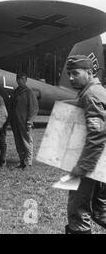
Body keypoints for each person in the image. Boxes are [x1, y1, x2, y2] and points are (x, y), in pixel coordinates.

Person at [64, 55, 106, 234]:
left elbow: (97, 134)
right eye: (68, 74)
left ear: (89, 72)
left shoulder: (91, 95)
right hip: (101, 162)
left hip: (91, 165)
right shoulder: (99, 90)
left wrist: (83, 166)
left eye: (75, 73)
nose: (71, 78)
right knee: (100, 210)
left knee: (78, 213)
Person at [10, 72, 38, 169]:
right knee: (18, 142)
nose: (19, 81)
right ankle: (22, 161)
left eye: (22, 79)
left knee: (27, 142)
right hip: (16, 122)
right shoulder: (16, 92)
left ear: (26, 80)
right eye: (18, 79)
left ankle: (28, 163)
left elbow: (34, 108)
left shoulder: (29, 92)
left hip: (25, 122)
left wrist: (30, 120)